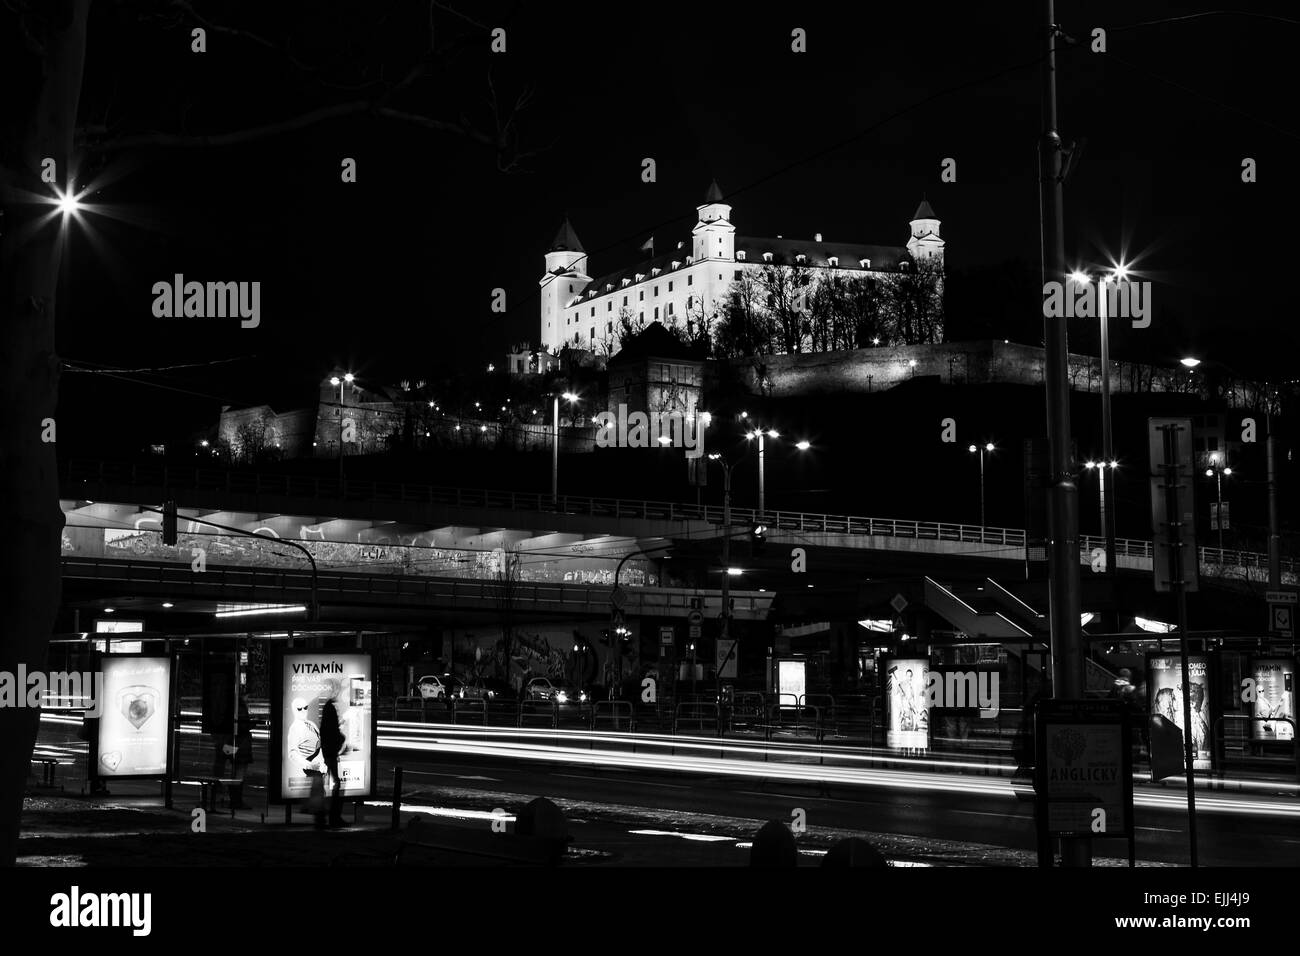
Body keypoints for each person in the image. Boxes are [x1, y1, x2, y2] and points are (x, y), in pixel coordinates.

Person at [211, 690, 254, 810]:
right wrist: (251, 725)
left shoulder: (226, 704)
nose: (248, 698)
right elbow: (242, 725)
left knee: (232, 770)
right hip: (239, 744)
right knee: (239, 771)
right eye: (247, 695)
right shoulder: (239, 706)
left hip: (228, 743)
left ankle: (229, 797)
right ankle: (236, 800)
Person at [318, 690, 346, 828]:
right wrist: (341, 738)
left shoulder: (328, 708)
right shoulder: (331, 708)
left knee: (326, 784)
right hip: (330, 753)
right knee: (336, 784)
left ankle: (322, 817)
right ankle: (334, 817)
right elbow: (332, 731)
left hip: (327, 752)